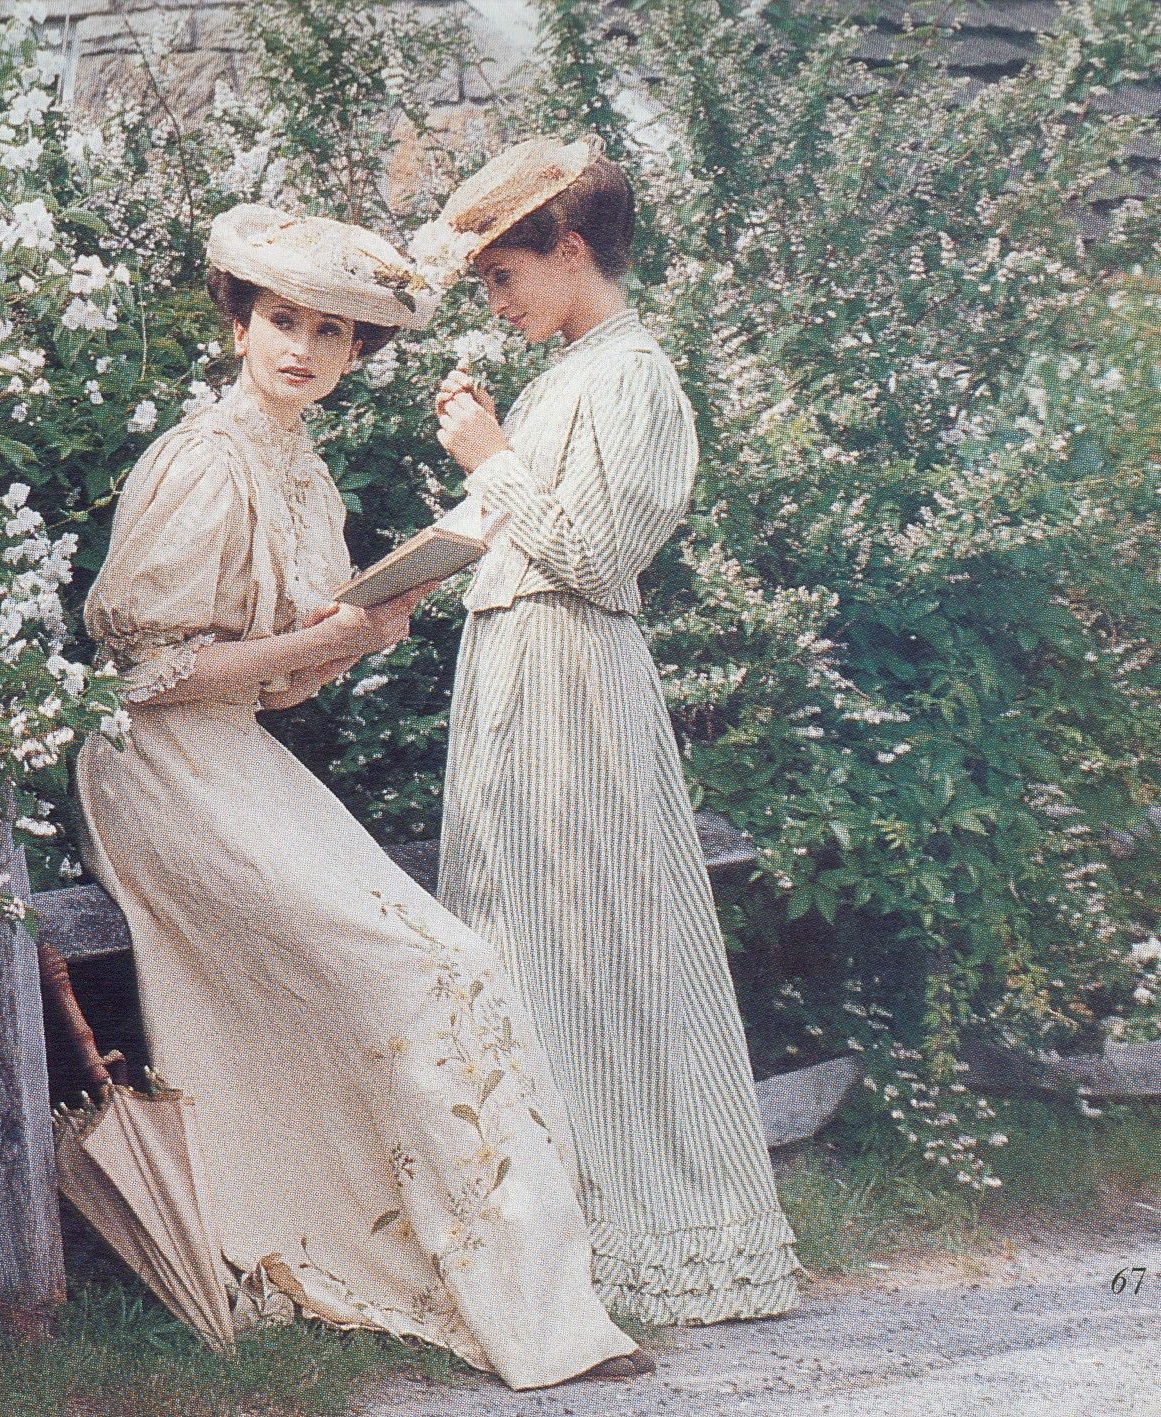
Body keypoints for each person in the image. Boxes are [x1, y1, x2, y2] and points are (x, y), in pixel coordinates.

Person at [74, 203, 651, 1388]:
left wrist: (358, 633)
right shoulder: (202, 457)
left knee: (455, 965)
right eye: (283, 321)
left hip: (232, 751)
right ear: (239, 326)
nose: (303, 348)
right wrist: (325, 637)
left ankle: (535, 1301)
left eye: (331, 333)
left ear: (353, 355)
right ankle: (453, 1285)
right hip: (154, 768)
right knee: (419, 969)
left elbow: (275, 687)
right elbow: (139, 677)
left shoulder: (302, 471)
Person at [415, 137, 803, 1326]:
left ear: (570, 248)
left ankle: (648, 1234)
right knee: (517, 938)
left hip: (574, 687)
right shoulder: (568, 374)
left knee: (596, 943)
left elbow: (591, 556)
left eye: (503, 276)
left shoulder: (632, 376)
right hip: (519, 676)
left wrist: (489, 457)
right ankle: (535, 1231)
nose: (495, 302)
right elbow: (515, 532)